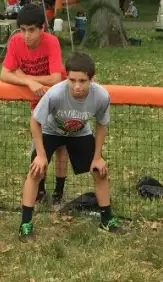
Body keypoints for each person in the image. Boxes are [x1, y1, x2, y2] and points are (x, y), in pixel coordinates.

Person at [20, 52, 124, 239]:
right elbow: (35, 122)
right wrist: (41, 155)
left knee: (100, 171)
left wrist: (98, 156)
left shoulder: (101, 96)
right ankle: (25, 224)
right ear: (66, 77)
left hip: (80, 132)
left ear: (92, 79)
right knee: (35, 171)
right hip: (50, 131)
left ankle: (107, 220)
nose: (77, 86)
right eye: (72, 80)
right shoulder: (55, 93)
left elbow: (102, 125)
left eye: (82, 81)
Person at [0, 4, 68, 206]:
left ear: (42, 29)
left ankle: (59, 190)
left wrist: (21, 74)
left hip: (58, 99)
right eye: (22, 30)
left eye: (31, 30)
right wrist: (30, 82)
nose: (26, 35)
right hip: (37, 101)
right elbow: (4, 74)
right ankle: (40, 190)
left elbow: (56, 78)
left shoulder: (51, 42)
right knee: (39, 147)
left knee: (61, 145)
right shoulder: (15, 42)